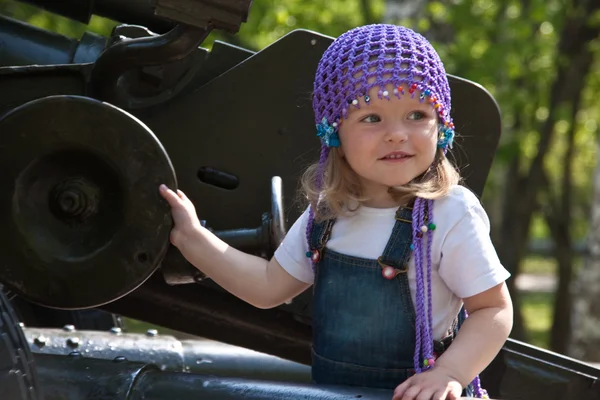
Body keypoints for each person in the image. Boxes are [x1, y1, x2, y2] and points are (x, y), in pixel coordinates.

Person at [159, 23, 513, 400]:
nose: (397, 133)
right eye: (371, 118)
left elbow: (492, 310)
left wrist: (450, 373)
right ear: (335, 134)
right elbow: (267, 287)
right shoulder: (329, 214)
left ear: (441, 125)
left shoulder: (447, 211)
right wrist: (194, 239)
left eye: (417, 115)